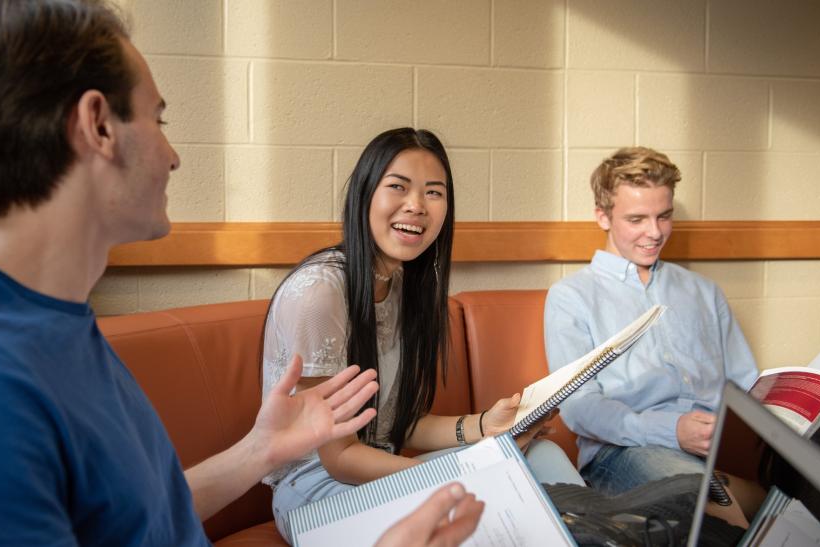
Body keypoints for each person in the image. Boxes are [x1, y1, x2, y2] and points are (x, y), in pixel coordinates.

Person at [0, 1, 483, 545]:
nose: (172, 156)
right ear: (97, 126)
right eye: (158, 118)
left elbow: (131, 516)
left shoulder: (49, 320)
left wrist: (259, 451)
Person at [262, 127, 584, 540]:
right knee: (500, 484)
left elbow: (402, 424)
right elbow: (340, 457)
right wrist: (465, 474)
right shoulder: (319, 293)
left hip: (381, 472)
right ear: (365, 194)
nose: (416, 206)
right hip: (319, 493)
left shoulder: (404, 287)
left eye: (434, 192)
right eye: (398, 186)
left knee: (540, 452)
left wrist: (488, 427)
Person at [543, 146, 759, 496]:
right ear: (603, 217)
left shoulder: (704, 292)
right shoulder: (572, 297)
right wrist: (671, 430)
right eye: (637, 219)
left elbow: (746, 384)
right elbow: (580, 407)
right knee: (701, 497)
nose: (655, 233)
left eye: (664, 216)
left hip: (720, 447)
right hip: (626, 450)